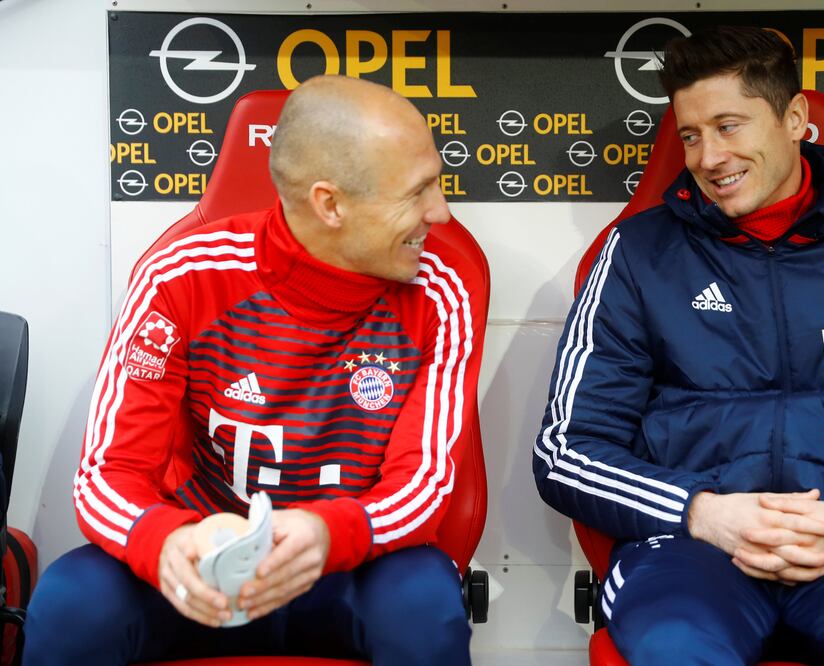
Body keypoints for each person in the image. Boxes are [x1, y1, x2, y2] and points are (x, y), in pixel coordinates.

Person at [533, 26, 824, 666]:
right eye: (692, 135)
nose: (708, 156)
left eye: (729, 126)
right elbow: (567, 451)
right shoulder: (638, 254)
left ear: (793, 119)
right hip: (691, 552)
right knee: (673, 644)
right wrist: (700, 511)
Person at [25, 75, 485, 665]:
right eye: (418, 192)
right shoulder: (181, 276)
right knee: (70, 604)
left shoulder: (440, 290)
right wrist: (165, 542)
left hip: (345, 562)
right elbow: (107, 475)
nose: (439, 213)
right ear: (330, 203)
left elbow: (424, 484)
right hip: (199, 567)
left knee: (427, 608)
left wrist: (329, 534)